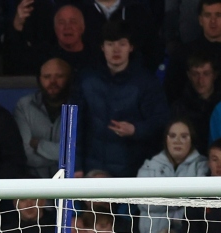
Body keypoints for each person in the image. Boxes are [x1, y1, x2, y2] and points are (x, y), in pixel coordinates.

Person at [79, 20, 170, 178]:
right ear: (102, 47)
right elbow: (74, 126)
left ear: (131, 47)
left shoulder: (146, 82)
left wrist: (135, 130)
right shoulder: (86, 79)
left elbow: (161, 120)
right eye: (110, 44)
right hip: (93, 169)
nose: (116, 49)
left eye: (122, 44)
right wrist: (76, 167)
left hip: (134, 170)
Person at [14, 57, 74, 179]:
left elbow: (75, 152)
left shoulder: (79, 106)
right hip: (35, 184)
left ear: (69, 78)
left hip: (71, 183)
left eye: (59, 76)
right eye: (47, 77)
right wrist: (62, 159)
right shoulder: (24, 106)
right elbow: (26, 155)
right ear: (39, 79)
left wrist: (40, 145)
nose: (52, 81)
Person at [172, 56, 220, 152]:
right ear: (189, 75)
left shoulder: (220, 107)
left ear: (214, 75)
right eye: (195, 74)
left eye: (206, 74)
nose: (200, 80)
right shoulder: (179, 107)